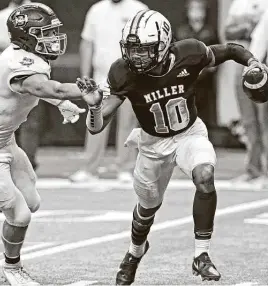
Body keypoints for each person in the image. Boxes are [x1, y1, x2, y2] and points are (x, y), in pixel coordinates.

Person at [77, 9, 264, 285]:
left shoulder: (190, 52)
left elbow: (232, 50)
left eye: (144, 50)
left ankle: (201, 255)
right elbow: (96, 126)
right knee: (146, 209)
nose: (136, 56)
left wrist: (253, 63)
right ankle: (134, 253)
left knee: (205, 176)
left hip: (189, 133)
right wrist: (93, 106)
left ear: (163, 45)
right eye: (132, 50)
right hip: (152, 145)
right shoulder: (123, 72)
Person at [0, 3, 85, 286]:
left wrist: (62, 103)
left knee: (31, 202)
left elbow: (39, 87)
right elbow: (43, 87)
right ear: (26, 36)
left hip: (5, 141)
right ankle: (13, 268)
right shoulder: (19, 62)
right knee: (19, 213)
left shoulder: (31, 57)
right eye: (45, 33)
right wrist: (88, 90)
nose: (53, 38)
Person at [69, 0, 148, 183]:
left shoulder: (139, 10)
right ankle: (90, 169)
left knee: (128, 123)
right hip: (101, 77)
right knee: (96, 122)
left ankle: (126, 169)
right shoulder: (96, 10)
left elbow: (148, 44)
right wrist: (85, 75)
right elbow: (87, 43)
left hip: (131, 76)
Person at [0, 0, 41, 170]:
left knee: (30, 121)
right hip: (5, 75)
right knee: (4, 120)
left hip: (31, 72)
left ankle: (28, 163)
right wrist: (23, 42)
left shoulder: (38, 12)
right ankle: (3, 162)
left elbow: (42, 43)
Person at [224, 0, 268, 182]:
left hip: (263, 61)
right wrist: (248, 26)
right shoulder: (239, 3)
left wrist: (244, 27)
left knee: (264, 120)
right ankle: (253, 169)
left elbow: (260, 35)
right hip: (243, 61)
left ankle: (266, 172)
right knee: (248, 120)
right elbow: (228, 31)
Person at [176, 0, 219, 128]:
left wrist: (209, 68)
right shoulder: (181, 32)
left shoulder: (210, 32)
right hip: (185, 81)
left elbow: (218, 54)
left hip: (205, 82)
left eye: (200, 9)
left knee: (204, 114)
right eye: (193, 9)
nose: (196, 13)